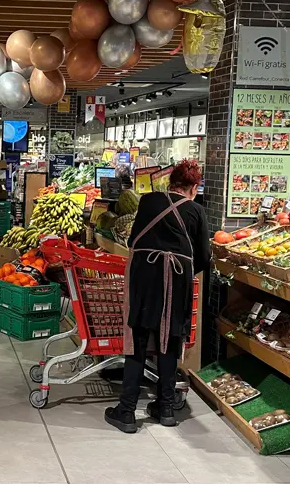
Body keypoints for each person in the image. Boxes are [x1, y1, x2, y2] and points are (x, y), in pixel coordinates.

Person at [104, 159, 210, 432]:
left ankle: (126, 412)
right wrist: (180, 273)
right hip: (177, 281)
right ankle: (165, 409)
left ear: (170, 182)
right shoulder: (197, 211)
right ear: (194, 187)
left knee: (138, 339)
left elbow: (133, 241)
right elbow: (203, 257)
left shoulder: (149, 201)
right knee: (170, 340)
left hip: (145, 277)